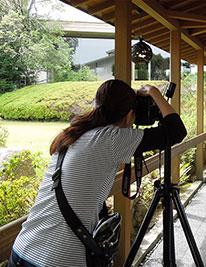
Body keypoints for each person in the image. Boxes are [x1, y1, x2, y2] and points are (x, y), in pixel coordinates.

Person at [8, 80, 187, 267]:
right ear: (128, 115)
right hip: (57, 258)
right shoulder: (111, 139)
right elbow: (176, 130)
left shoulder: (74, 133)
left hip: (22, 249)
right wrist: (153, 92)